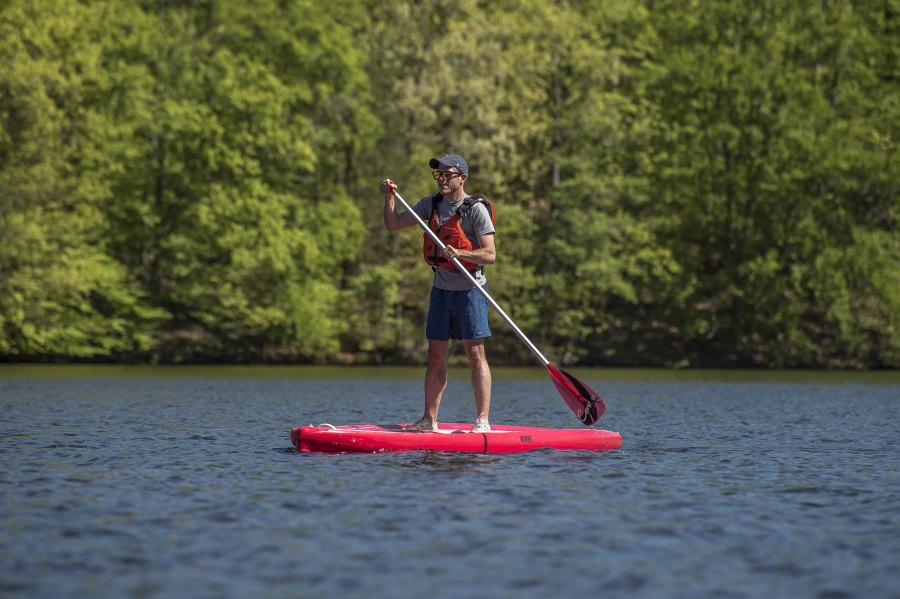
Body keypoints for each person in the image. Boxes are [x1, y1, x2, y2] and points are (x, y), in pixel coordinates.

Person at [380, 154, 496, 433]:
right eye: (438, 175)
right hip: (441, 289)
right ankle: (428, 420)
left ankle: (482, 421)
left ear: (462, 178)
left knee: (475, 353)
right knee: (435, 354)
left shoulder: (474, 210)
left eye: (448, 174)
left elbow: (490, 255)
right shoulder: (429, 205)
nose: (442, 179)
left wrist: (462, 252)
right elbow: (393, 224)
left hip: (470, 289)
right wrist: (389, 197)